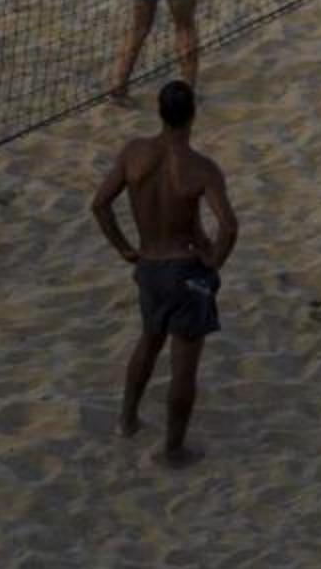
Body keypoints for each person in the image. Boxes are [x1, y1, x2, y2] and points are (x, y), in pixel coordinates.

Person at [90, 80, 237, 464]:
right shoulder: (201, 168)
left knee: (149, 341)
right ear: (192, 115)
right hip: (184, 270)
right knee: (184, 365)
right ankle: (173, 449)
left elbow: (100, 205)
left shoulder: (134, 153)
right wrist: (214, 262)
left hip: (149, 267)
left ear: (159, 111)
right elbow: (229, 226)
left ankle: (127, 420)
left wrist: (124, 248)